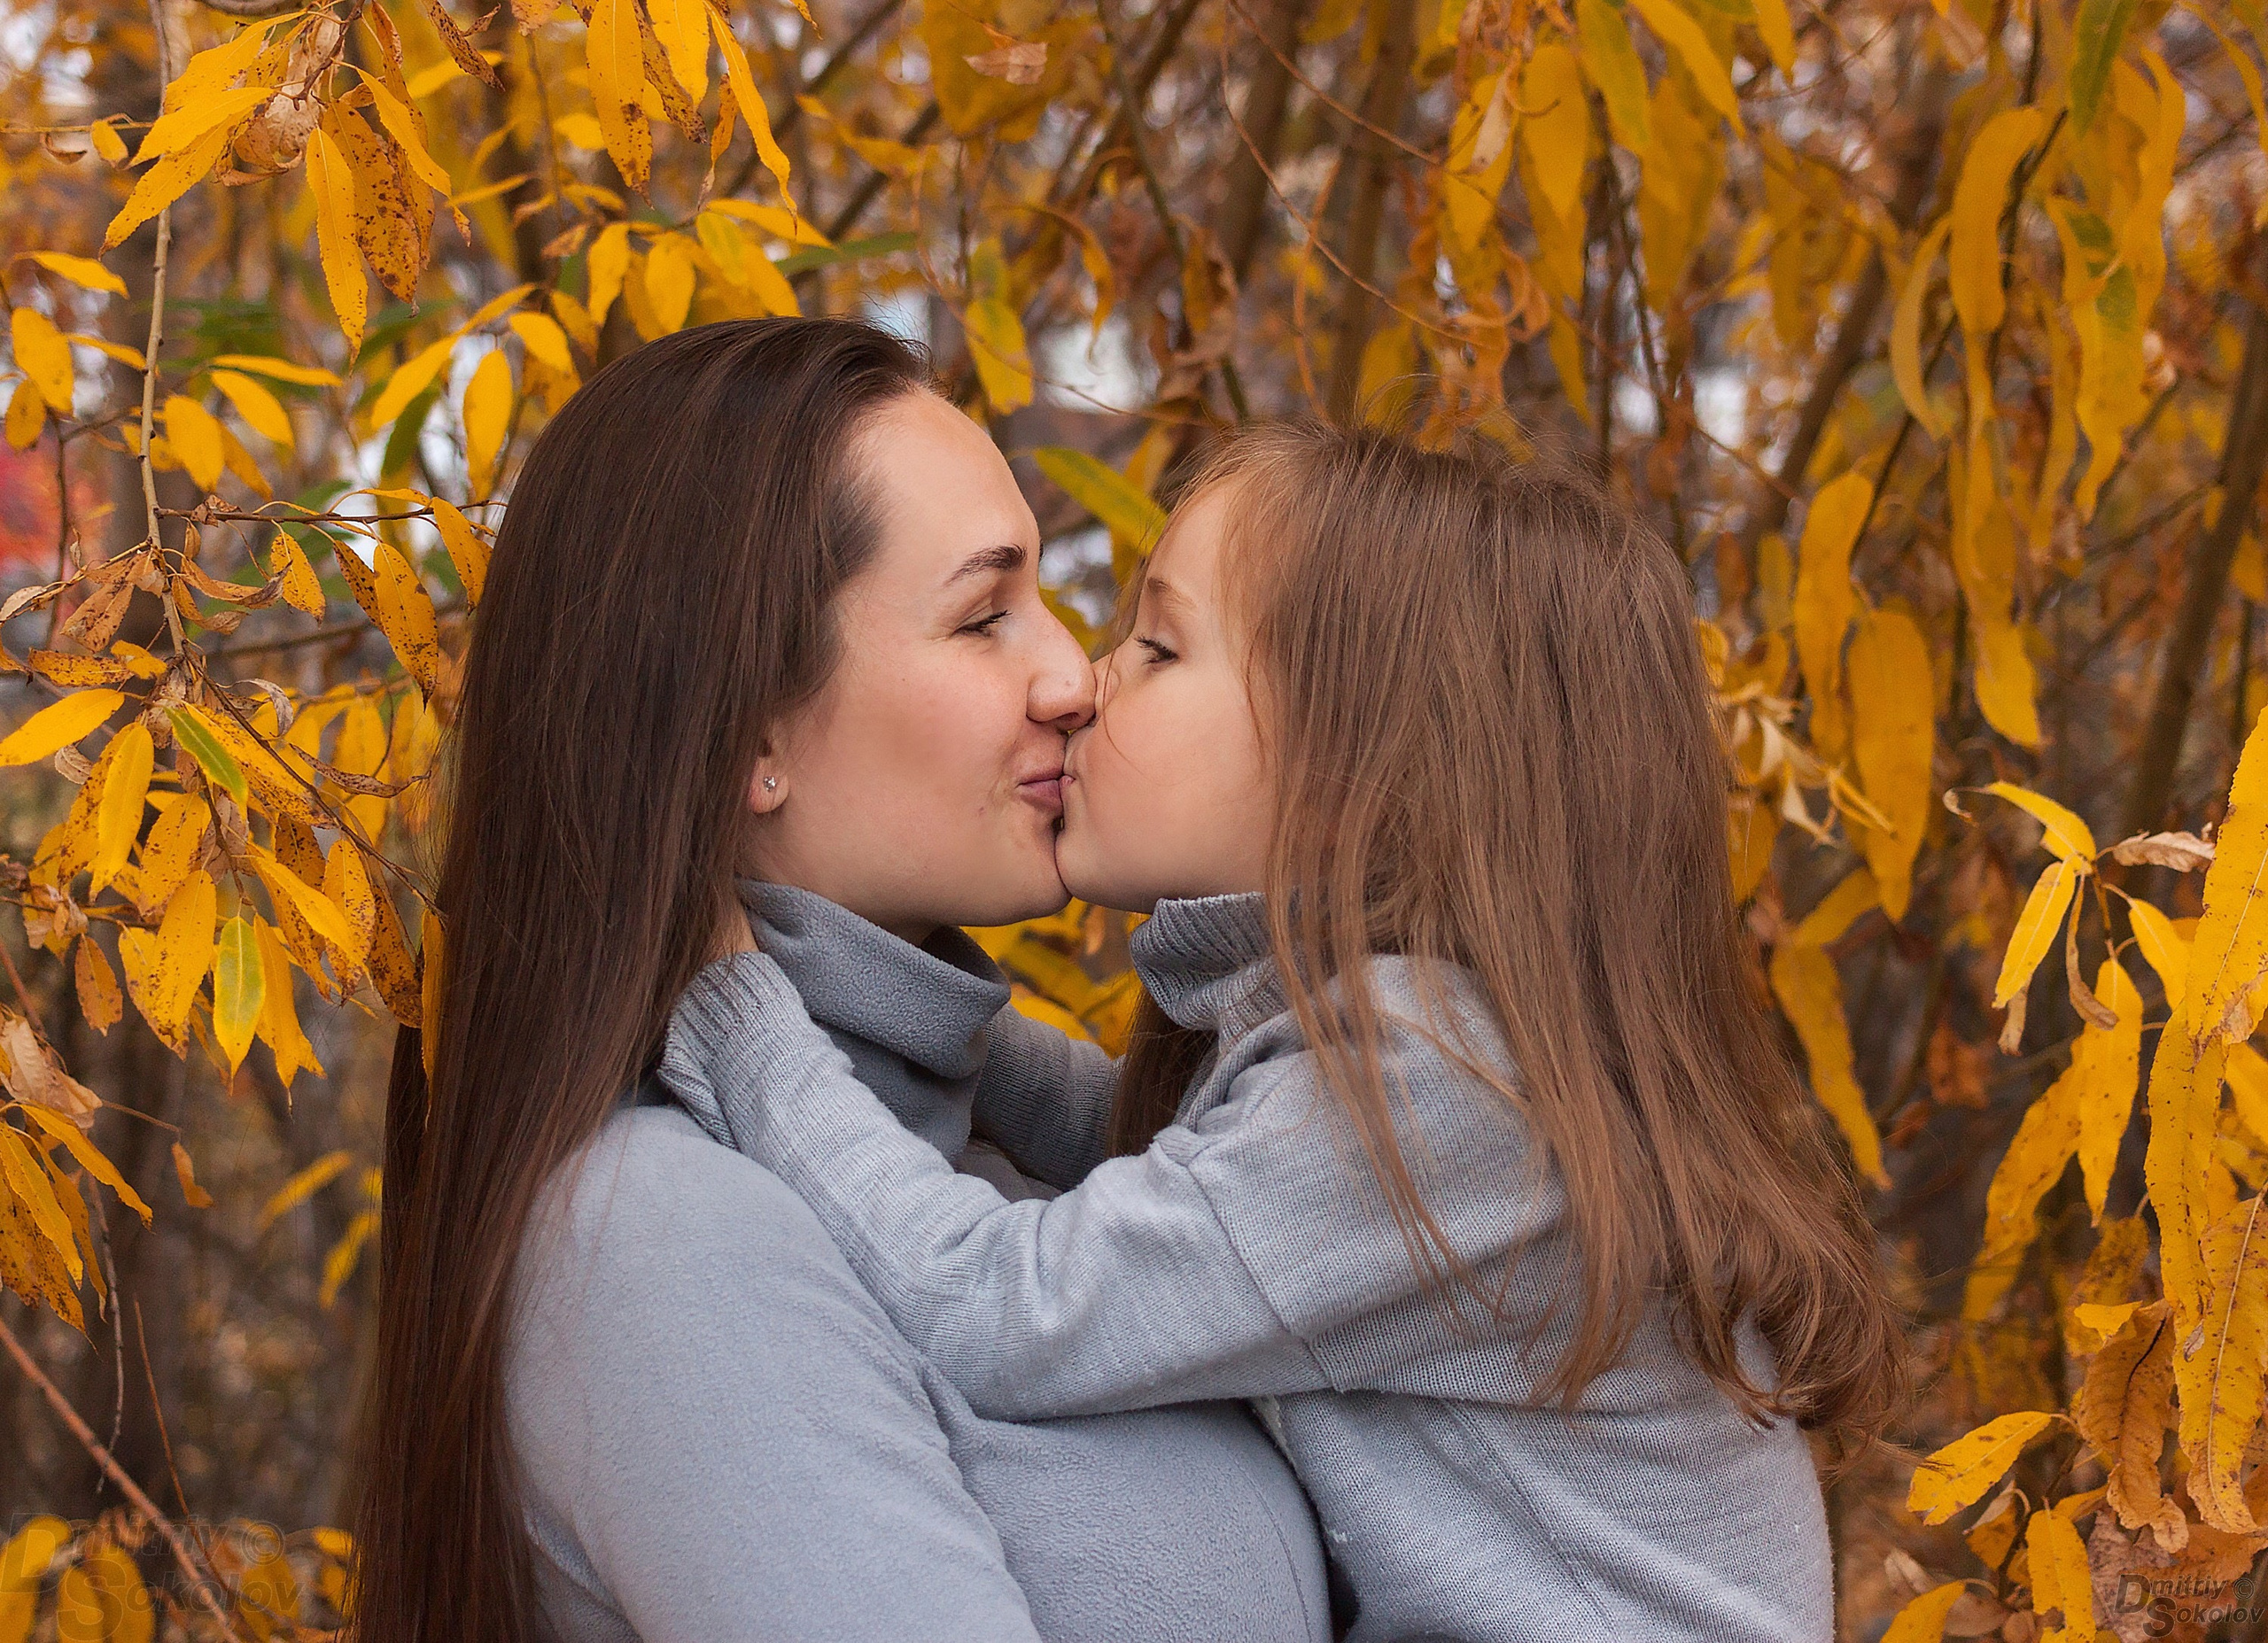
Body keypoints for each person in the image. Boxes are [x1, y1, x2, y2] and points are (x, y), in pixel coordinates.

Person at [660, 420, 1911, 1641]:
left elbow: (1000, 1313)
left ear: (1357, 765)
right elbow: (1136, 1149)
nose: (1085, 683)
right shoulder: (1436, 1052)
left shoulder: (1432, 1092)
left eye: (1158, 648)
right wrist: (877, 1004)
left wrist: (741, 1007)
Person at [344, 320, 1330, 1643]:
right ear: (751, 734)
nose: (1070, 676)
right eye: (983, 617)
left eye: (1045, 599)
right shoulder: (663, 1239)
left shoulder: (1004, 1175)